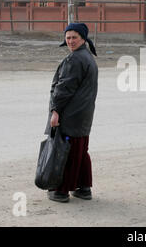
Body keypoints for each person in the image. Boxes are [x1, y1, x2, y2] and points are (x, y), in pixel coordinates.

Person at [45, 23, 98, 202]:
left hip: (70, 116)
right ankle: (84, 188)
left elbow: (64, 89)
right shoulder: (88, 57)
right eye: (68, 37)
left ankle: (60, 191)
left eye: (74, 37)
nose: (70, 41)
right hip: (83, 116)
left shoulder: (75, 59)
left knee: (64, 152)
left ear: (83, 38)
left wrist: (55, 111)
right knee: (80, 152)